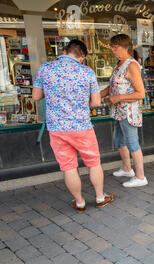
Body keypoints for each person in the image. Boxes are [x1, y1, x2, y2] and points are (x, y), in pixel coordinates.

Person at [32, 39, 114, 212]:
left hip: (57, 128)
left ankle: (79, 202)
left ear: (64, 51)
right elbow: (96, 102)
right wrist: (83, 104)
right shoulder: (87, 72)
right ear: (82, 57)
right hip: (82, 126)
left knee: (68, 166)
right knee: (93, 162)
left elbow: (36, 96)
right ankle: (100, 197)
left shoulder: (45, 69)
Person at [101, 34, 148, 187]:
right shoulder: (119, 64)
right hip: (118, 111)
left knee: (132, 143)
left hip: (129, 112)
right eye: (112, 47)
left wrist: (117, 98)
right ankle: (127, 168)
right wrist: (99, 94)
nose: (113, 50)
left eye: (116, 47)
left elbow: (140, 93)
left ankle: (141, 177)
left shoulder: (131, 65)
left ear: (126, 47)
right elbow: (113, 86)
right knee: (119, 141)